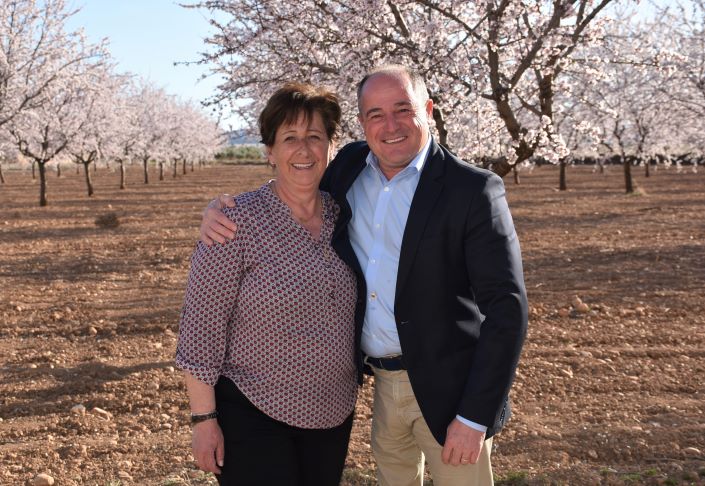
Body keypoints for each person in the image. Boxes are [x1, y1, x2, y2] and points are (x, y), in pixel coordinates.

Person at [201, 65, 528, 486]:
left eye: (402, 110)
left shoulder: (473, 190)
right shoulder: (349, 168)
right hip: (380, 388)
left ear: (428, 111)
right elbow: (295, 176)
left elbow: (508, 309)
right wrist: (222, 210)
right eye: (375, 114)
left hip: (450, 394)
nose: (389, 126)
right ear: (361, 124)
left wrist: (474, 415)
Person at [176, 82, 363, 486]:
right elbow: (200, 328)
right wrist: (203, 419)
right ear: (269, 150)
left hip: (332, 412)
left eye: (315, 137)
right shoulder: (235, 222)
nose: (304, 149)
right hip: (252, 411)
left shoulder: (345, 215)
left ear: (330, 145)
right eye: (290, 138)